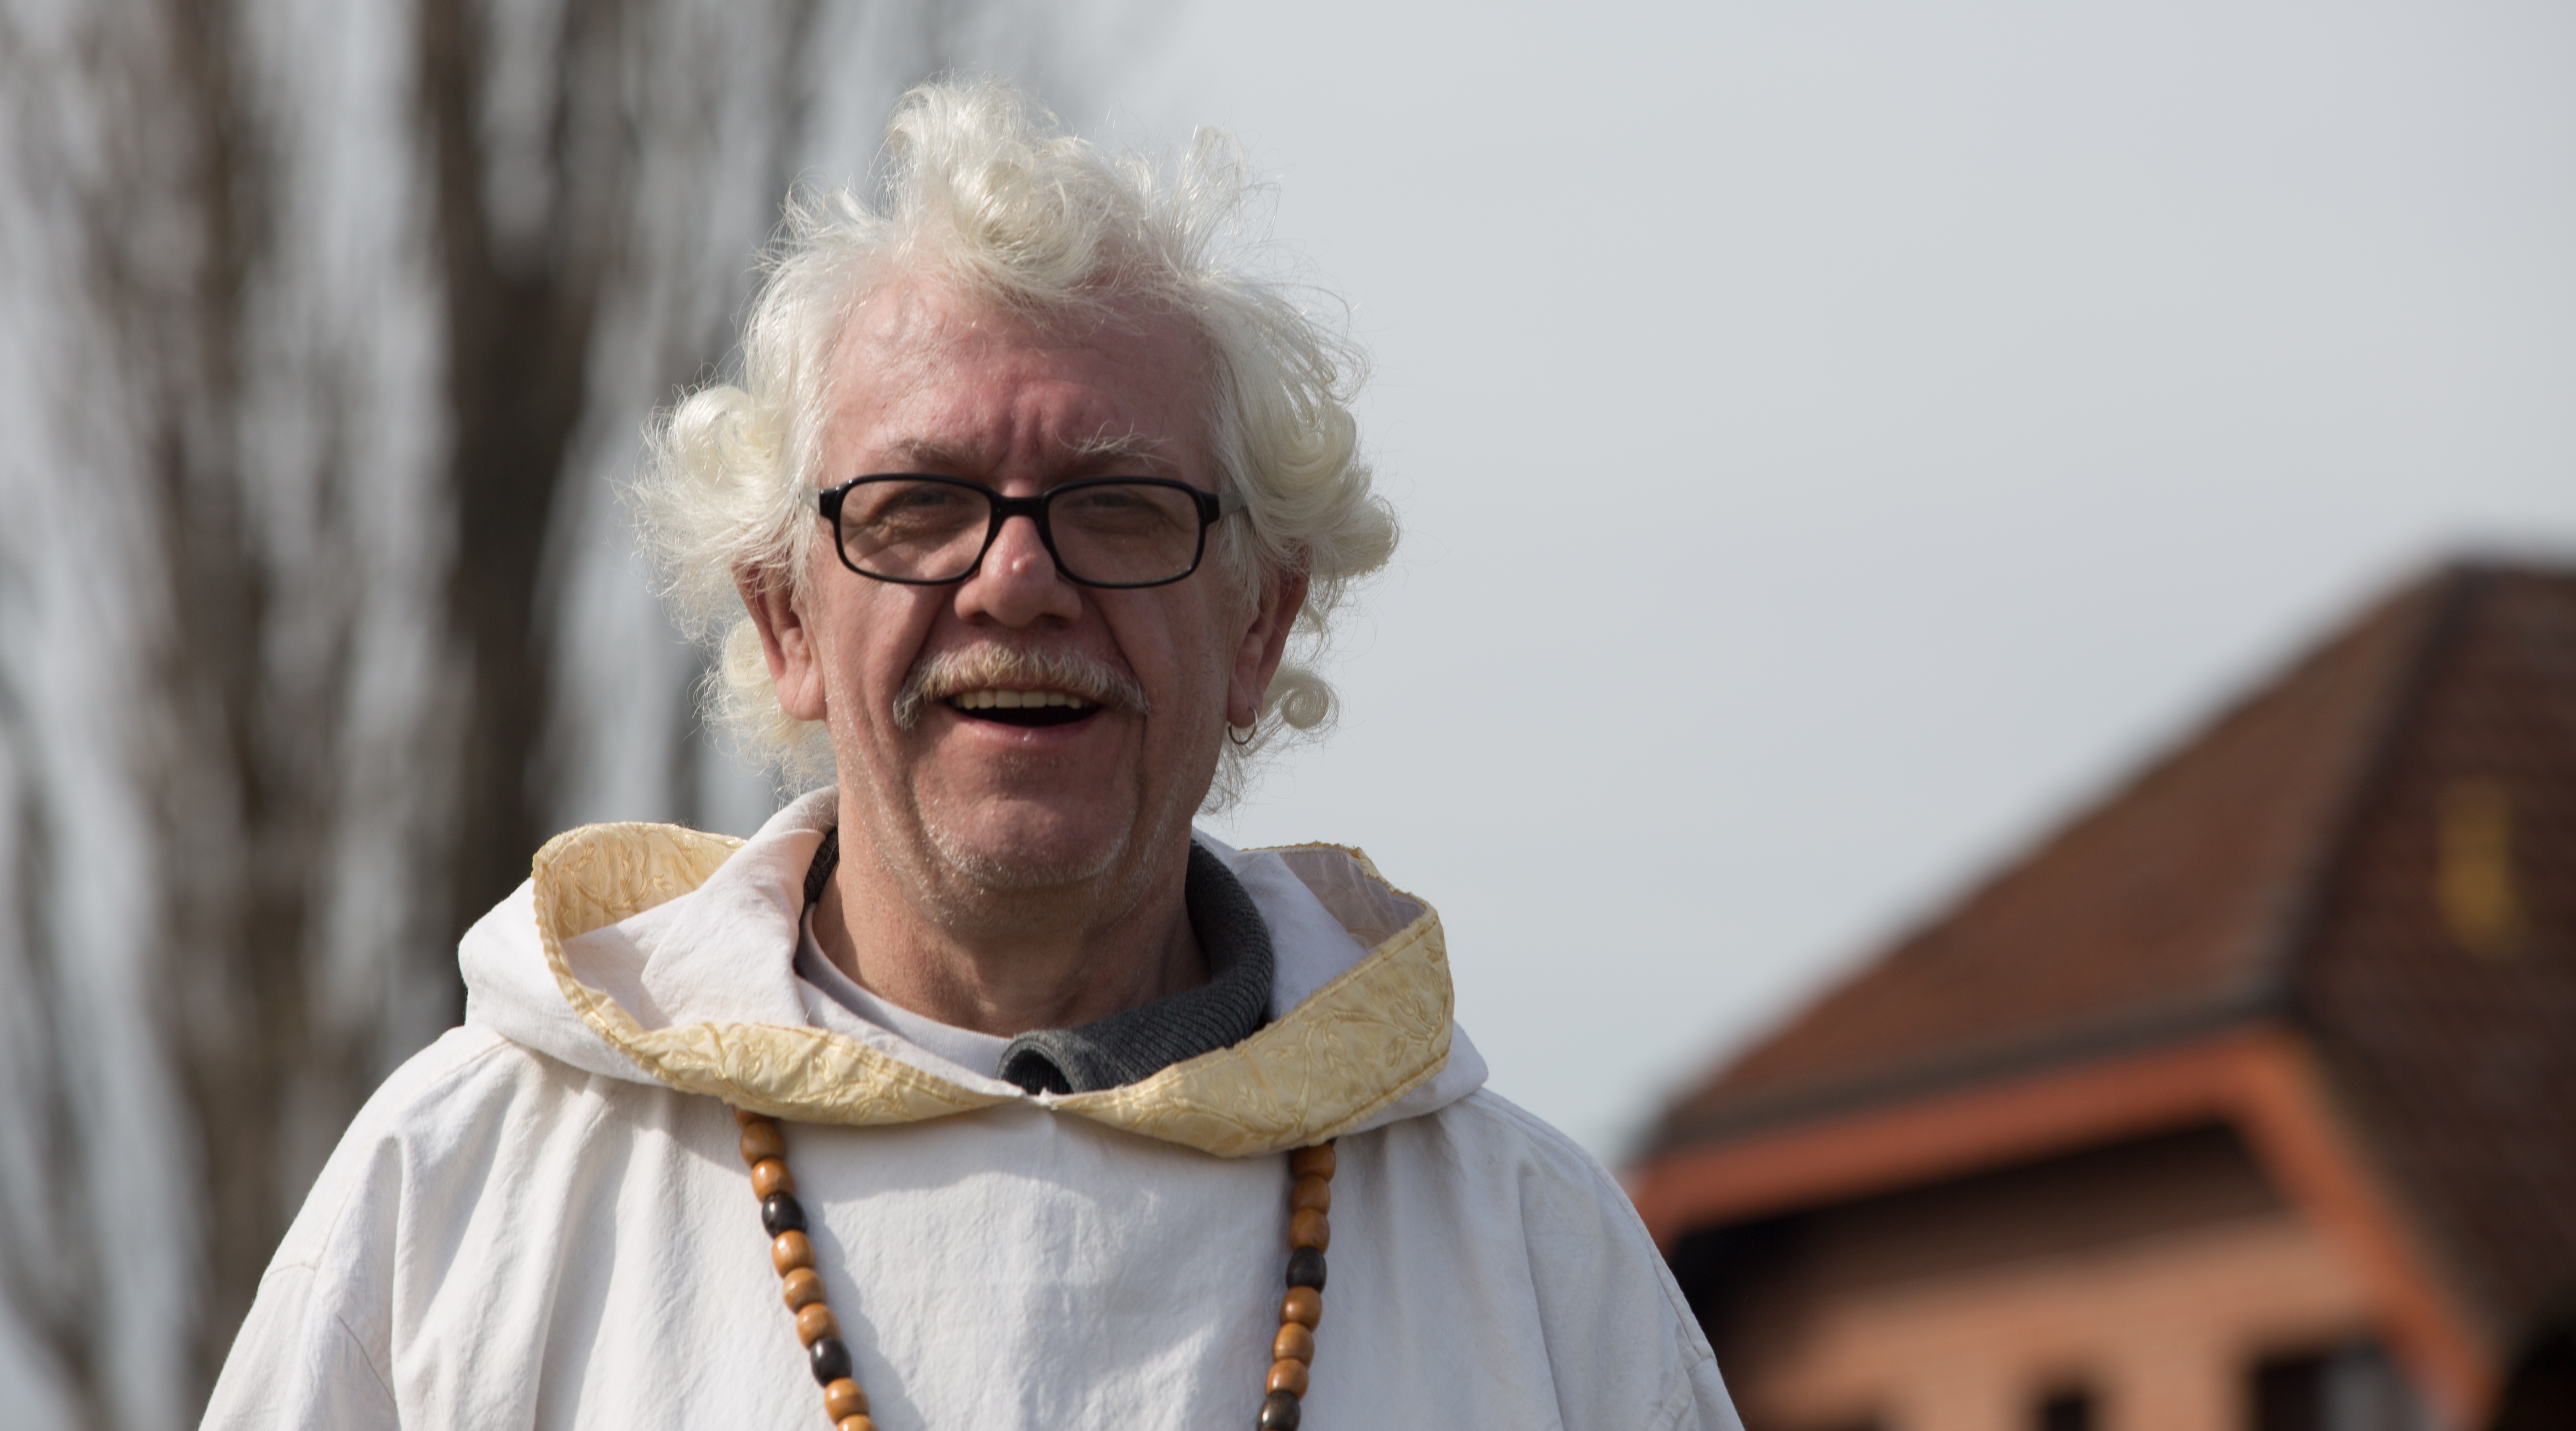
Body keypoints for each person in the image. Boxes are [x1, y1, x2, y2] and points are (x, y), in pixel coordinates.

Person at [204, 81, 1739, 1430]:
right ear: (786, 618)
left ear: (1259, 624)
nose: (1017, 581)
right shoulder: (466, 1197)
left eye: (1119, 507)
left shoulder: (1534, 1265)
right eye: (921, 506)